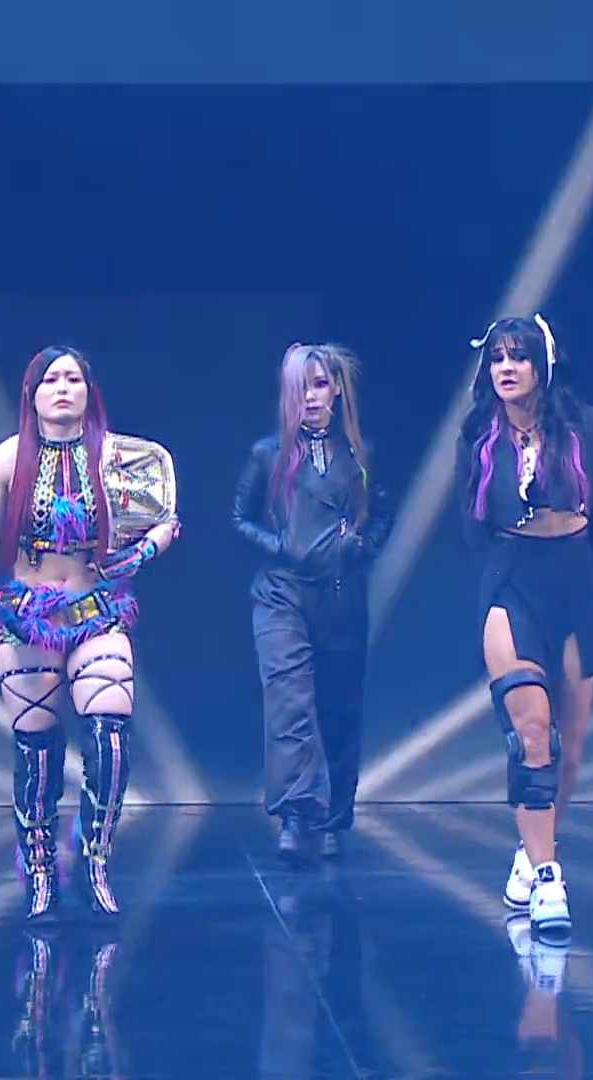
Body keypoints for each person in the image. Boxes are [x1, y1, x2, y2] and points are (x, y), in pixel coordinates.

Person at [0, 346, 180, 923]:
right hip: (26, 614)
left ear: (89, 390)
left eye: (73, 379)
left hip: (95, 609)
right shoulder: (5, 461)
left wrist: (147, 548)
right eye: (51, 379)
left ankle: (94, 858)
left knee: (110, 735)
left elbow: (162, 519)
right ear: (32, 393)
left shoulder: (117, 458)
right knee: (36, 752)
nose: (63, 388)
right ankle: (39, 868)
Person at [453, 314, 593, 941]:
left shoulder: (587, 427)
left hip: (575, 583)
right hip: (510, 582)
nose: (506, 368)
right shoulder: (478, 435)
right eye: (497, 357)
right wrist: (502, 572)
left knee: (568, 753)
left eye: (518, 357)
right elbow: (470, 525)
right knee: (531, 733)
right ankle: (550, 879)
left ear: (542, 365)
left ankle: (531, 852)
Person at [232, 343, 392, 862]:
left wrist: (361, 547)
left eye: (320, 384)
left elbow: (382, 514)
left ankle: (334, 816)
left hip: (341, 597)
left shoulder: (360, 454)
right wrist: (283, 547)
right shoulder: (268, 454)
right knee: (289, 700)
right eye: (301, 387)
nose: (311, 397)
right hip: (281, 594)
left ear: (337, 389)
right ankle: (296, 813)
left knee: (339, 708)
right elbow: (239, 518)